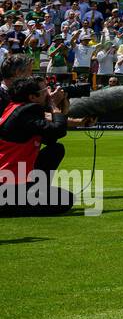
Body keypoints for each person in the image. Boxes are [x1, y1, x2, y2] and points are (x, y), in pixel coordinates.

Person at [0, 75, 80, 216]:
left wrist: (62, 111)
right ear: (32, 97)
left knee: (55, 150)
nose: (48, 94)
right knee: (65, 199)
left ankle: (31, 194)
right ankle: (10, 206)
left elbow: (51, 138)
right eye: (44, 91)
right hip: (7, 185)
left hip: (11, 178)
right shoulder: (26, 112)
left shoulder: (14, 108)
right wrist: (54, 106)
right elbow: (58, 130)